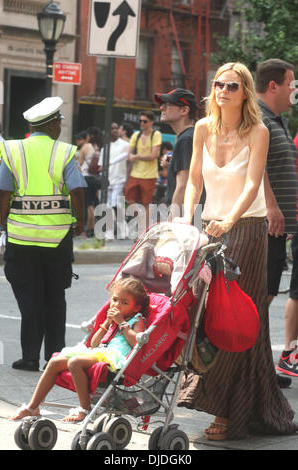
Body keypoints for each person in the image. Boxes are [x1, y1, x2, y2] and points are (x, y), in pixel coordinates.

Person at [177, 62, 298, 440]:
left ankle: (230, 413)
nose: (223, 90)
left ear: (245, 91)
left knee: (237, 321)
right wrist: (185, 220)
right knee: (206, 318)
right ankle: (243, 404)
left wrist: (229, 220)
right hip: (210, 230)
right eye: (217, 84)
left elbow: (252, 185)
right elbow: (194, 180)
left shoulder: (258, 131)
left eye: (231, 85)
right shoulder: (201, 128)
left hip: (246, 231)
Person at [0, 97, 86, 372]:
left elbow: (3, 192)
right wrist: (80, 220)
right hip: (57, 239)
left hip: (21, 239)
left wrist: (2, 225)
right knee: (55, 299)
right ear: (52, 124)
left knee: (29, 298)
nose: (60, 126)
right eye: (59, 121)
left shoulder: (13, 151)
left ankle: (29, 357)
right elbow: (77, 189)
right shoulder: (64, 153)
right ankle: (55, 358)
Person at [11, 276, 148, 423]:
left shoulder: (136, 319)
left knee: (74, 362)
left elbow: (136, 342)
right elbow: (94, 344)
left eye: (124, 302)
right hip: (99, 352)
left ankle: (85, 408)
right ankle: (32, 407)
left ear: (136, 307)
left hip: (114, 358)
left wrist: (121, 323)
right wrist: (107, 324)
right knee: (54, 362)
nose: (117, 305)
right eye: (114, 300)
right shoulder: (113, 320)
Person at [256, 59, 298, 378]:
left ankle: (257, 369)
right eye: (290, 84)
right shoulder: (259, 118)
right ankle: (249, 369)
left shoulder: (278, 120)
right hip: (263, 225)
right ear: (274, 86)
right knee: (260, 298)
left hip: (279, 229)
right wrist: (271, 206)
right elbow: (256, 169)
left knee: (266, 294)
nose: (293, 91)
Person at [155, 88, 199, 220]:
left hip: (186, 215)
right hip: (192, 214)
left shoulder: (186, 139)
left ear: (184, 110)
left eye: (168, 105)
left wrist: (171, 221)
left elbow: (183, 186)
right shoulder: (190, 136)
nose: (162, 107)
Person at [125, 111, 162, 228]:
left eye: (145, 121)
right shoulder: (136, 136)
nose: (141, 123)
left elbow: (153, 156)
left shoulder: (156, 135)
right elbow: (128, 154)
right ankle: (142, 221)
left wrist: (136, 156)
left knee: (147, 203)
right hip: (135, 173)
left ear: (151, 122)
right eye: (140, 121)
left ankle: (144, 230)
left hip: (149, 175)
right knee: (130, 200)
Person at [100, 123, 130, 239]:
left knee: (116, 205)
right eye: (111, 128)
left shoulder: (125, 145)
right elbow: (101, 167)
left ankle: (123, 231)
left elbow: (129, 163)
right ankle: (112, 232)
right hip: (107, 181)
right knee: (109, 206)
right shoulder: (105, 148)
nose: (114, 130)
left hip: (120, 180)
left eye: (116, 128)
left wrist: (127, 181)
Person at [78, 126, 103, 237]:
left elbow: (79, 163)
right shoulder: (98, 147)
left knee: (88, 205)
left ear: (90, 136)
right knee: (93, 202)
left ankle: (88, 228)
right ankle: (93, 228)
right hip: (95, 178)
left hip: (86, 177)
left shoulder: (86, 146)